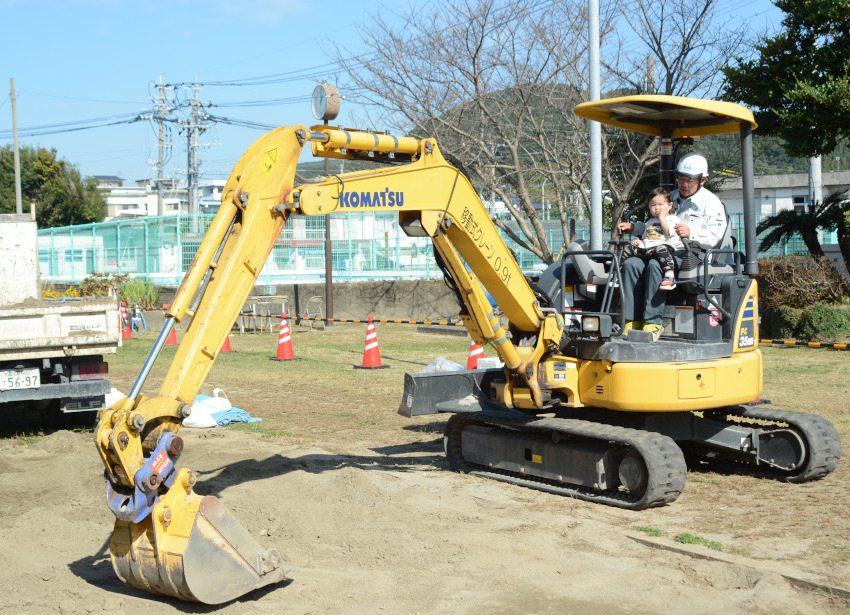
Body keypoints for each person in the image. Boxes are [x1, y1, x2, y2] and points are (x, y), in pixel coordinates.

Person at [616, 153, 727, 341]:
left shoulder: (711, 203)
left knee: (655, 266)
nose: (684, 184)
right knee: (632, 264)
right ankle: (631, 321)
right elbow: (653, 226)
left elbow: (715, 236)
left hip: (690, 253)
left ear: (703, 180)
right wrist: (633, 228)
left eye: (690, 181)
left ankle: (653, 323)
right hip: (658, 247)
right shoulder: (669, 197)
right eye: (681, 179)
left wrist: (691, 232)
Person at [619, 187, 683, 291]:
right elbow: (646, 236)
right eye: (653, 205)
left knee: (661, 250)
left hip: (663, 246)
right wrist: (641, 242)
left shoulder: (672, 219)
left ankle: (669, 275)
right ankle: (619, 273)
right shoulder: (650, 221)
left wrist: (662, 218)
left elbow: (668, 233)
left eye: (661, 205)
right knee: (627, 250)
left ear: (670, 205)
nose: (657, 208)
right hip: (648, 247)